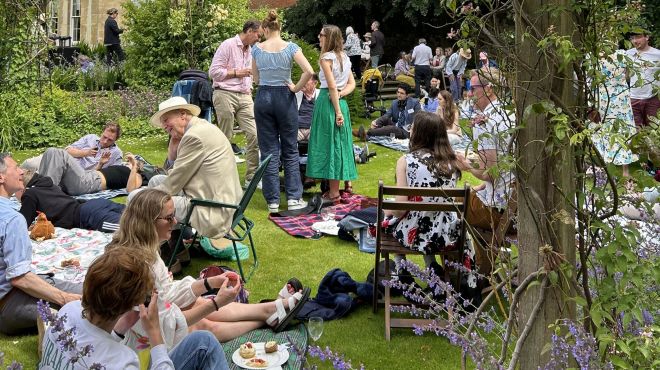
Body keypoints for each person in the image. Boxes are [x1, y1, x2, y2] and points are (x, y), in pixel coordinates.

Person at [108, 189, 310, 344]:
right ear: (148, 222)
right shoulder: (137, 267)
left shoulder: (144, 250)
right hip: (144, 343)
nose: (176, 221)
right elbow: (164, 324)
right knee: (201, 325)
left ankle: (269, 310)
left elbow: (166, 294)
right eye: (169, 217)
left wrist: (207, 283)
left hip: (146, 325)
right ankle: (267, 318)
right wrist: (215, 304)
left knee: (196, 304)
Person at [39, 246, 230, 369]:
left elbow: (93, 345)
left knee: (202, 340)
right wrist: (156, 336)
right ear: (131, 304)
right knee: (205, 343)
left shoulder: (66, 312)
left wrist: (121, 329)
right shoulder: (122, 361)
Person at [130, 96, 242, 241]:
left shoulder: (194, 136)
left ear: (182, 114)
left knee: (135, 199)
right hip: (220, 200)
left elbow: (173, 184)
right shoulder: (201, 127)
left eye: (166, 120)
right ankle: (176, 251)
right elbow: (175, 175)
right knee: (156, 180)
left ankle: (155, 252)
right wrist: (172, 151)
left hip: (211, 211)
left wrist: (143, 197)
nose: (164, 126)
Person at [0, 153, 81, 335]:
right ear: (1, 177)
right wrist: (64, 298)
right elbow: (20, 278)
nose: (22, 171)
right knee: (91, 298)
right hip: (9, 306)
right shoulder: (12, 219)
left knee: (88, 288)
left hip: (10, 296)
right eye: (16, 168)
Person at [384, 112, 471, 270]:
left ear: (418, 133)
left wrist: (388, 209)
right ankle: (430, 264)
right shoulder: (452, 163)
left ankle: (401, 267)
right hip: (447, 234)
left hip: (417, 234)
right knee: (423, 215)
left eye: (412, 128)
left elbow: (399, 210)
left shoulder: (406, 161)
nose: (410, 130)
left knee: (389, 219)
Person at [252, 10, 314, 213]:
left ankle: (272, 201)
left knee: (268, 151)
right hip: (284, 98)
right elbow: (309, 71)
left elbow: (255, 79)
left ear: (267, 29)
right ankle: (294, 198)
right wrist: (296, 88)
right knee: (290, 148)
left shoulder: (257, 49)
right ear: (279, 28)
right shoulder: (291, 48)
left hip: (263, 98)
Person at [456, 69, 515, 232]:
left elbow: (490, 172)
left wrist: (466, 165)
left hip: (499, 210)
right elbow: (501, 163)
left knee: (450, 204)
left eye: (472, 88)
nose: (469, 93)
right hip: (518, 205)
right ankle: (483, 257)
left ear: (489, 88)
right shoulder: (509, 114)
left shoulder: (484, 122)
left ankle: (457, 258)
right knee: (469, 196)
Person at [306, 25, 358, 203]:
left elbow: (332, 86)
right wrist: (341, 97)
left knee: (330, 145)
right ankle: (339, 188)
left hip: (329, 104)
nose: (318, 37)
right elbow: (351, 84)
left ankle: (334, 193)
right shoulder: (344, 57)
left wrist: (337, 111)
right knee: (339, 145)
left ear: (328, 38)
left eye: (321, 35)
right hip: (340, 102)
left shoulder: (326, 58)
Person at [209, 20, 261, 185]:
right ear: (250, 31)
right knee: (225, 137)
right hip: (224, 93)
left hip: (245, 96)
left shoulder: (252, 50)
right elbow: (213, 72)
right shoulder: (228, 45)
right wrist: (238, 73)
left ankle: (251, 178)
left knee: (255, 135)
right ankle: (221, 177)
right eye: (258, 34)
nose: (259, 38)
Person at [16, 169, 125, 232]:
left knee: (131, 228)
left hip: (88, 216)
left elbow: (20, 224)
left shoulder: (30, 194)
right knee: (136, 213)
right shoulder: (47, 185)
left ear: (22, 186)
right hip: (95, 204)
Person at [591, 49, 638, 175]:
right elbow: (629, 75)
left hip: (604, 96)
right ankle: (624, 170)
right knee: (622, 129)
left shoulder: (592, 56)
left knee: (607, 127)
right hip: (619, 97)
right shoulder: (623, 55)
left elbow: (590, 79)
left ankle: (606, 163)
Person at [21, 123, 123, 173]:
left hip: (74, 171)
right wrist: (85, 153)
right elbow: (68, 150)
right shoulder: (90, 138)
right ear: (102, 132)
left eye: (109, 140)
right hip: (63, 158)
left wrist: (101, 163)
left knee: (38, 175)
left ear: (115, 140)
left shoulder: (116, 153)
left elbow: (113, 174)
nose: (105, 141)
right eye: (104, 137)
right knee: (29, 163)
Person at [37, 147, 140, 196]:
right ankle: (40, 190)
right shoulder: (121, 167)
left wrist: (134, 167)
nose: (128, 162)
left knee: (58, 153)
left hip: (90, 183)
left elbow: (130, 190)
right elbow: (93, 174)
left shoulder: (138, 176)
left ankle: (46, 195)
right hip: (87, 177)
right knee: (50, 151)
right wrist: (100, 164)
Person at [625, 31, 660, 128]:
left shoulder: (657, 54)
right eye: (632, 38)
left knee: (654, 129)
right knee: (636, 132)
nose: (635, 41)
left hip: (653, 99)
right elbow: (625, 75)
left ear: (647, 37)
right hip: (633, 98)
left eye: (638, 37)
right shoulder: (628, 54)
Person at [295, 74, 320, 141]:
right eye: (301, 80)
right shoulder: (295, 94)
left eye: (305, 80)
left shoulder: (321, 96)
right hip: (297, 130)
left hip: (314, 129)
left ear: (315, 83)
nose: (301, 82)